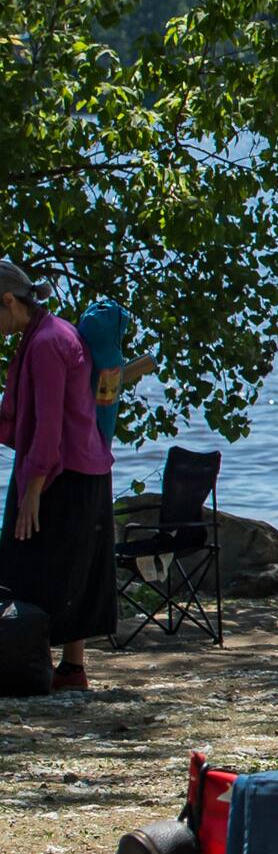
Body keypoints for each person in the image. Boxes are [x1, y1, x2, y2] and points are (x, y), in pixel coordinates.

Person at [0, 263, 110, 693]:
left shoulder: (46, 344)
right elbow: (21, 418)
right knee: (70, 568)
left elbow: (47, 429)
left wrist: (31, 490)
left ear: (9, 301)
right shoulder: (46, 334)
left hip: (64, 472)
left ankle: (32, 665)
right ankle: (70, 669)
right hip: (83, 469)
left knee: (28, 566)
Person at [75, 295, 150, 442]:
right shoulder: (112, 365)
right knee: (104, 417)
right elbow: (105, 414)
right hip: (93, 447)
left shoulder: (79, 352)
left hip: (77, 438)